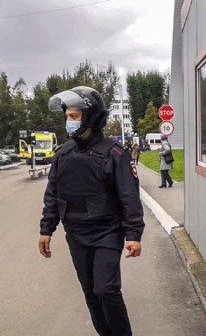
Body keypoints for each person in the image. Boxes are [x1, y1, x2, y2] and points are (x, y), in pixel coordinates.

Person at [38, 86, 144, 336]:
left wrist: (134, 234)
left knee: (106, 290)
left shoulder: (115, 153)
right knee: (91, 294)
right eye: (67, 116)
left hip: (107, 232)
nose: (69, 121)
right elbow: (53, 193)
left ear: (91, 116)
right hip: (76, 234)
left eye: (74, 116)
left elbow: (129, 196)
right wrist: (46, 230)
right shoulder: (63, 154)